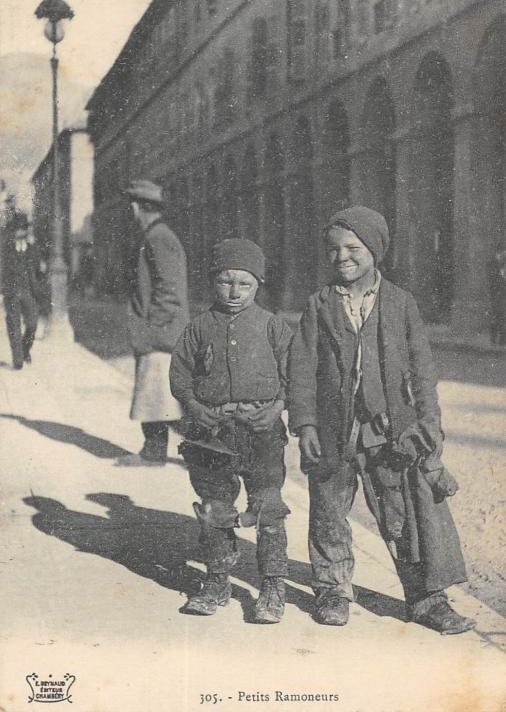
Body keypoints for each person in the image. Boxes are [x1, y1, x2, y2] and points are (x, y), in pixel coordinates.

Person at [288, 206, 476, 635]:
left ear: (375, 250)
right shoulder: (318, 304)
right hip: (334, 432)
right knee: (328, 511)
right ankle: (332, 591)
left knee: (402, 513)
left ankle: (426, 600)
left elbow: (423, 370)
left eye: (353, 248)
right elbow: (301, 369)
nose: (342, 258)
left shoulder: (400, 303)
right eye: (333, 250)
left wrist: (428, 424)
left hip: (388, 433)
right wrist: (306, 426)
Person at [170, 238, 293, 623]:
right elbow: (180, 376)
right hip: (212, 433)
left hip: (261, 431)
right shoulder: (199, 327)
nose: (235, 291)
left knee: (268, 506)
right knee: (215, 506)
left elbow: (295, 378)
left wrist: (275, 409)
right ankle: (217, 580)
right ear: (212, 283)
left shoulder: (273, 326)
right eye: (225, 282)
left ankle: (273, 585)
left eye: (245, 283)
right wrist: (194, 409)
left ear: (258, 284)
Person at [120, 180, 189, 465]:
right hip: (160, 331)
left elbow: (169, 289)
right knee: (158, 395)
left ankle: (155, 453)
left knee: (161, 395)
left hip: (161, 333)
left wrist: (151, 329)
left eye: (133, 206)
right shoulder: (158, 235)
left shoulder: (158, 237)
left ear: (139, 207)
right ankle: (154, 451)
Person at [2, 212, 40, 369]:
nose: (21, 232)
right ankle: (17, 361)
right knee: (14, 326)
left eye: (24, 229)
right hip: (11, 293)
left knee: (32, 324)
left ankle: (25, 350)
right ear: (14, 231)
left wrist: (37, 291)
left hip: (28, 292)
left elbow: (37, 271)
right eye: (19, 229)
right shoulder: (6, 249)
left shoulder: (32, 249)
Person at [487, 244, 506, 346]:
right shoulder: (492, 263)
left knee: (503, 317)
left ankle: (502, 340)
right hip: (496, 294)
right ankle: (493, 339)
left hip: (503, 294)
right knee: (495, 317)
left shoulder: (503, 262)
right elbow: (491, 279)